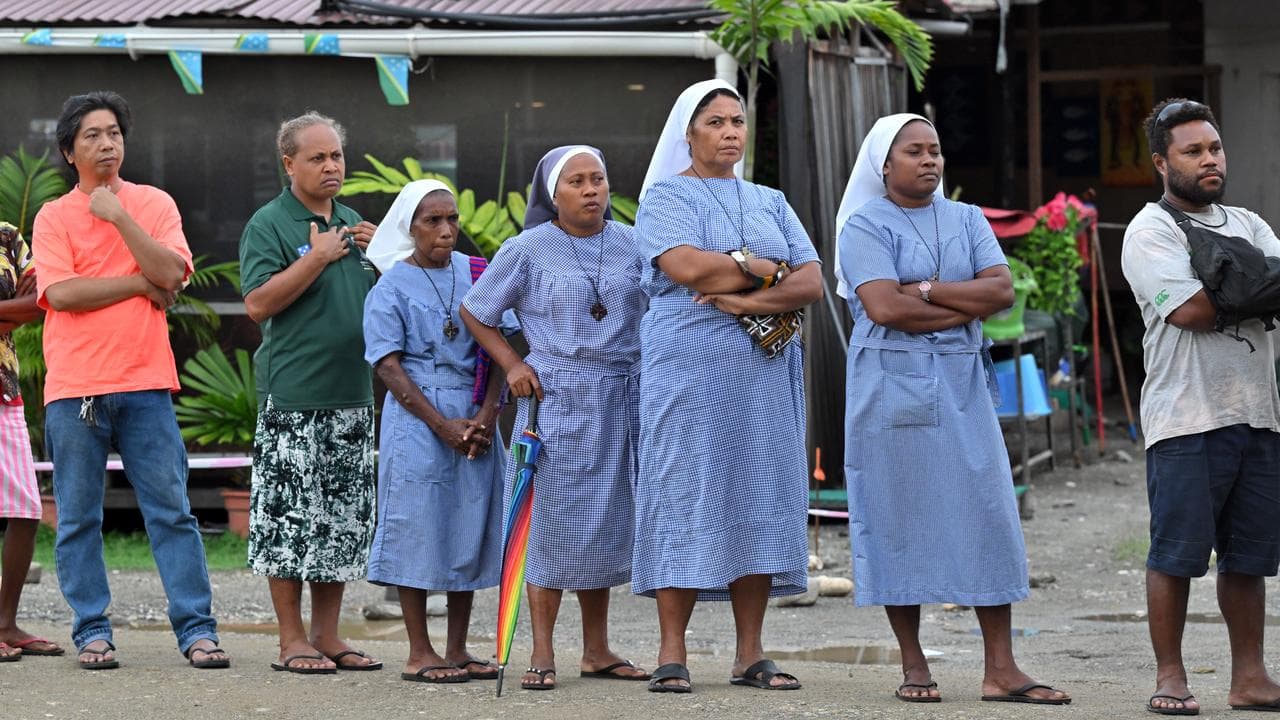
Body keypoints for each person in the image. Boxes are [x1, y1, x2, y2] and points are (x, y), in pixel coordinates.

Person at [836, 113, 1069, 706]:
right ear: (883, 166)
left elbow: (1001, 291)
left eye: (935, 150)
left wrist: (930, 291)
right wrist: (958, 306)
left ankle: (1001, 668)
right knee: (897, 515)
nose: (929, 160)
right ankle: (915, 665)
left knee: (989, 513)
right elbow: (885, 309)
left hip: (962, 383)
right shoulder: (863, 226)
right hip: (890, 386)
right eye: (913, 152)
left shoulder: (967, 219)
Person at [630, 80, 822, 693]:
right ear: (688, 133)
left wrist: (744, 300)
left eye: (737, 121)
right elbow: (683, 268)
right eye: (715, 122)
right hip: (685, 370)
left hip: (762, 370)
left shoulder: (770, 198)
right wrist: (758, 264)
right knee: (682, 490)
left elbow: (812, 280)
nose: (730, 131)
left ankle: (750, 653)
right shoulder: (664, 196)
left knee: (759, 493)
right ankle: (671, 652)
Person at [32, 91, 227, 670]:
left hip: (145, 383)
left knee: (171, 511)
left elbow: (172, 273)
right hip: (75, 389)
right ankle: (92, 630)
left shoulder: (153, 203)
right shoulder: (52, 216)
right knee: (78, 516)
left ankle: (197, 631)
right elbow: (61, 294)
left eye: (114, 132)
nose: (107, 143)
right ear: (70, 150)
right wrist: (139, 285)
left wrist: (119, 218)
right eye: (92, 135)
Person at [461, 145, 650, 691]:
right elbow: (477, 309)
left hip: (620, 398)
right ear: (552, 194)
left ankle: (597, 649)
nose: (591, 190)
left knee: (606, 525)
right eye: (577, 182)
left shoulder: (633, 243)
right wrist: (514, 363)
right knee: (548, 526)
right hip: (555, 400)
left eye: (599, 179)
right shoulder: (529, 249)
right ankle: (541, 652)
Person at [1121, 98, 1280, 715]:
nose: (1209, 159)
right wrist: (1251, 290)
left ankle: (1250, 679)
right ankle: (1170, 677)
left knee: (1251, 556)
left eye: (1214, 148)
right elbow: (1187, 311)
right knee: (1176, 553)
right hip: (1186, 416)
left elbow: (1269, 279)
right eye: (1193, 151)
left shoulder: (1248, 220)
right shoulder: (1149, 230)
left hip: (1259, 413)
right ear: (1163, 162)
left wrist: (1235, 285)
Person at [239, 111, 380, 675]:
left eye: (337, 156)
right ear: (289, 163)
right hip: (293, 394)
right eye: (317, 157)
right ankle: (290, 639)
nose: (331, 166)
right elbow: (257, 304)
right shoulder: (269, 223)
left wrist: (386, 256)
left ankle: (327, 635)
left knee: (340, 519)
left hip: (354, 392)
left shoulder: (355, 223)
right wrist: (317, 257)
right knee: (290, 518)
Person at [362, 180, 517, 684]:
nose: (447, 229)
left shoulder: (477, 274)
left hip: (474, 417)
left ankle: (456, 648)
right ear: (410, 228)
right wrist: (440, 425)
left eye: (452, 219)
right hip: (417, 420)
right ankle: (418, 651)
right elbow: (387, 367)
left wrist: (488, 418)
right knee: (418, 525)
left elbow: (500, 348)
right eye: (433, 221)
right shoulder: (389, 286)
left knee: (465, 525)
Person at [0, 221, 61, 662]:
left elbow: (43, 300)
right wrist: (12, 305)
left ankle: (6, 623)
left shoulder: (6, 236)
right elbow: (24, 303)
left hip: (5, 387)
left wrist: (21, 305)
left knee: (25, 508)